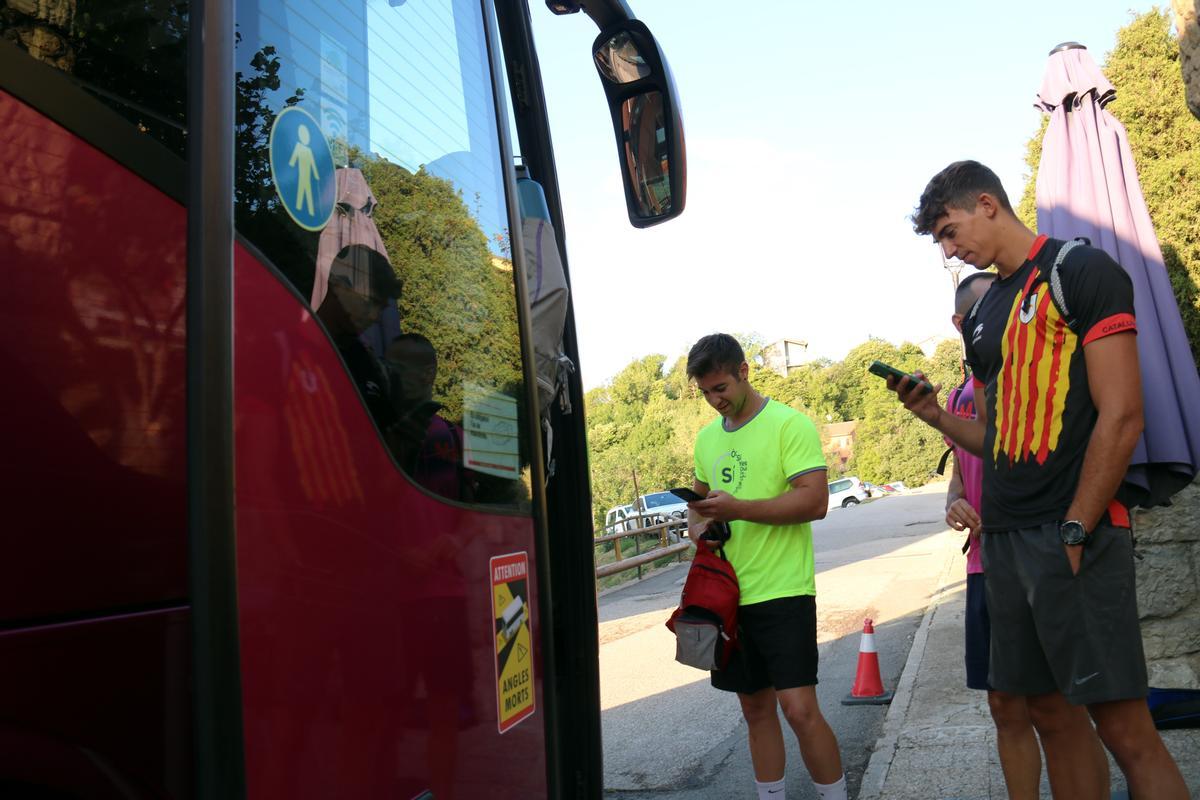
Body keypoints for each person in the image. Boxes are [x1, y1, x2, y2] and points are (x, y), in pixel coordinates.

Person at [895, 160, 1187, 799]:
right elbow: (1000, 439)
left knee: (1123, 725)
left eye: (949, 231)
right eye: (941, 242)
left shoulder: (1078, 271)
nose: (948, 250)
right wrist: (939, 416)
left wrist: (1077, 527)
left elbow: (1123, 414)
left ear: (987, 203)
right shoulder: (986, 310)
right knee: (1049, 714)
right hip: (1004, 542)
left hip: (1073, 531)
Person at [684, 333, 846, 800]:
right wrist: (700, 530)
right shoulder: (706, 439)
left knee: (798, 709)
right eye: (706, 393)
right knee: (755, 709)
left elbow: (815, 502)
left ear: (744, 372)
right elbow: (698, 505)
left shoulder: (788, 424)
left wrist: (739, 509)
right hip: (728, 598)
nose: (715, 401)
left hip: (783, 590)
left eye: (721, 388)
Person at [945, 271, 1050, 800]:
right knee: (1004, 705)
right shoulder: (959, 394)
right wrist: (954, 499)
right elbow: (961, 468)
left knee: (1057, 709)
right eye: (992, 309)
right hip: (984, 566)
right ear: (962, 324)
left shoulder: (1033, 374)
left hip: (1037, 557)